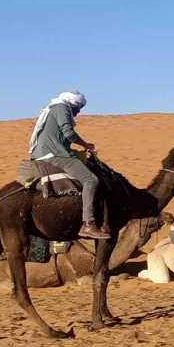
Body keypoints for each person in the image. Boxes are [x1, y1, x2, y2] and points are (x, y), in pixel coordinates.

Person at [29, 91, 107, 240]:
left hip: (48, 152)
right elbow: (68, 132)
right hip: (54, 155)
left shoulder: (53, 108)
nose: (78, 112)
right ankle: (88, 224)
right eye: (78, 108)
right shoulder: (61, 107)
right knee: (91, 180)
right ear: (72, 104)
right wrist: (85, 144)